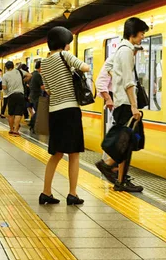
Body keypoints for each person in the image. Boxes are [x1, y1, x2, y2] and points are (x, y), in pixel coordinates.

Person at [95, 17, 148, 193]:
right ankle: (108, 165)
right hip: (125, 104)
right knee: (126, 143)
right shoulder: (126, 51)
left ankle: (120, 181)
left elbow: (113, 70)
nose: (142, 38)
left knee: (127, 143)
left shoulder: (122, 50)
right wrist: (134, 106)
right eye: (141, 34)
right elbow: (128, 82)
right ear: (133, 34)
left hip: (122, 103)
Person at [39, 26, 89, 206]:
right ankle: (73, 193)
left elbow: (48, 90)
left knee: (57, 153)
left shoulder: (43, 63)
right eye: (68, 42)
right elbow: (85, 67)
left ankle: (46, 192)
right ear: (64, 43)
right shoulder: (64, 56)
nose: (69, 46)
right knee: (74, 153)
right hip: (70, 110)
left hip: (54, 112)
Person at [2, 61, 31, 136]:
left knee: (11, 113)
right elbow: (29, 75)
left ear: (6, 67)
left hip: (11, 95)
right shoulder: (19, 71)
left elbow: (4, 87)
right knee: (18, 113)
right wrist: (23, 81)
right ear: (13, 66)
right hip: (20, 95)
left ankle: (11, 129)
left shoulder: (5, 75)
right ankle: (15, 131)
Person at [28, 61, 44, 133]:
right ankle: (32, 125)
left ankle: (32, 125)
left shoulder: (32, 74)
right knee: (38, 112)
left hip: (33, 95)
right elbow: (42, 87)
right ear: (40, 67)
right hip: (36, 96)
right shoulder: (38, 75)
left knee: (37, 111)